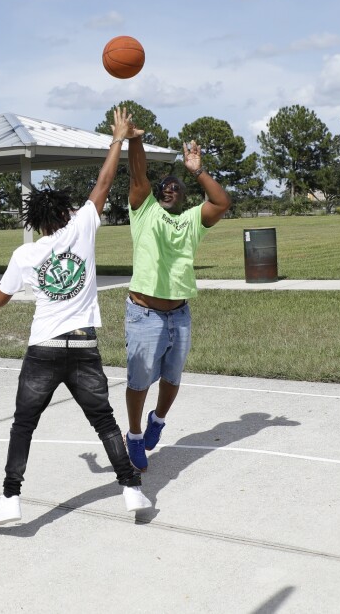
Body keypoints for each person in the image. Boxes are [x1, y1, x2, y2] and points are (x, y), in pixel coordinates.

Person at [0, 106, 151, 525]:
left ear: (35, 222)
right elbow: (104, 182)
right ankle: (132, 490)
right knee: (104, 421)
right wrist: (118, 139)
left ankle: (11, 500)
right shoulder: (82, 228)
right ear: (65, 213)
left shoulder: (25, 253)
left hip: (44, 348)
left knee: (23, 425)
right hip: (83, 345)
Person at [123, 136, 231, 471]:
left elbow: (221, 201)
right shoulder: (144, 212)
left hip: (179, 314)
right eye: (164, 186)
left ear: (183, 196)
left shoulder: (192, 221)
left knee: (172, 376)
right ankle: (136, 436)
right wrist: (134, 141)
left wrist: (197, 171)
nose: (169, 189)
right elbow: (138, 175)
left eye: (175, 186)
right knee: (139, 381)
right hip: (144, 314)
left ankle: (158, 419)